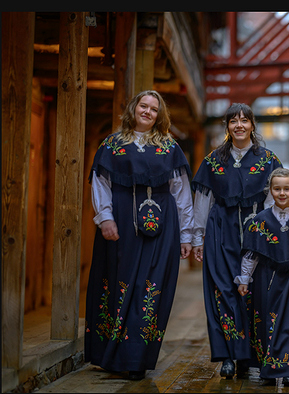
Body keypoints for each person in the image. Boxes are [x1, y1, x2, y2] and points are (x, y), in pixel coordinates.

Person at [84, 90, 194, 381]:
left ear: (160, 116)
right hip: (120, 220)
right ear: (133, 109)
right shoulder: (112, 145)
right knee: (118, 283)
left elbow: (182, 193)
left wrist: (186, 235)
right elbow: (101, 183)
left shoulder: (170, 147)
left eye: (153, 109)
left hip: (163, 225)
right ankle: (110, 356)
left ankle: (137, 359)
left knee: (152, 287)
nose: (147, 112)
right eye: (143, 106)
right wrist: (105, 218)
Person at [191, 103, 283, 379]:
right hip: (221, 231)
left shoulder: (268, 160)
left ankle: (249, 356)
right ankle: (229, 355)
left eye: (245, 120)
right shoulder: (213, 160)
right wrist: (197, 237)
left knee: (254, 294)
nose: (239, 125)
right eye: (234, 121)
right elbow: (203, 201)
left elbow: (274, 199)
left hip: (256, 231)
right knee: (223, 291)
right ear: (227, 126)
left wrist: (272, 235)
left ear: (253, 125)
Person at [235, 168, 289, 387]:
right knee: (266, 322)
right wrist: (244, 279)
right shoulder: (259, 221)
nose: (282, 193)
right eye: (277, 188)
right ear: (270, 190)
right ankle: (269, 369)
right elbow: (251, 254)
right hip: (266, 279)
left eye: (287, 189)